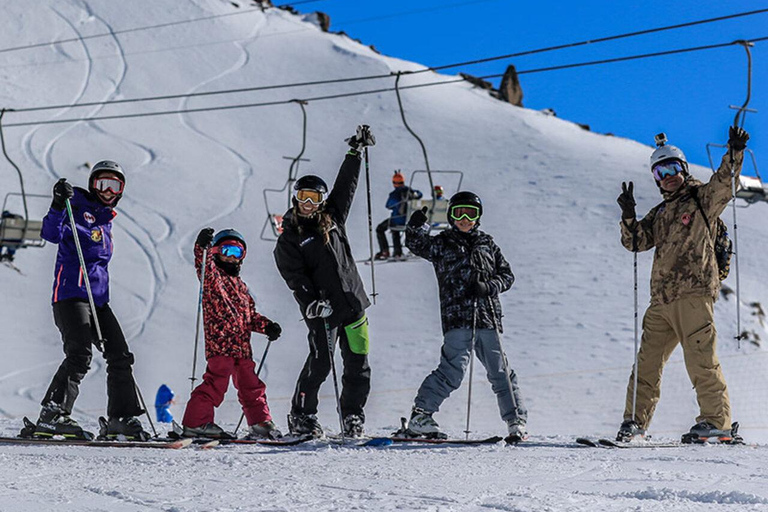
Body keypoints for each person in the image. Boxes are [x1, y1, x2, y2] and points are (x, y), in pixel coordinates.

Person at [615, 126, 750, 443]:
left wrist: (734, 152)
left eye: (673, 167)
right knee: (646, 364)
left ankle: (716, 420)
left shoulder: (702, 199)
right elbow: (635, 242)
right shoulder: (660, 212)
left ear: (684, 168)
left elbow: (725, 183)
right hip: (661, 300)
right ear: (656, 179)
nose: (669, 175)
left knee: (700, 358)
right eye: (661, 171)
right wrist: (629, 215)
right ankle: (634, 423)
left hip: (694, 294)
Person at [32, 161, 149, 440]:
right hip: (71, 295)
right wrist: (59, 204)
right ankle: (52, 413)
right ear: (92, 184)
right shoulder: (76, 207)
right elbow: (50, 234)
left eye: (114, 186)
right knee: (80, 354)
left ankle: (121, 416)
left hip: (97, 301)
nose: (108, 191)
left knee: (119, 354)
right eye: (102, 184)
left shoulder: (105, 219)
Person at [273, 125, 376, 438]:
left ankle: (352, 417)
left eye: (314, 197)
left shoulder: (333, 219)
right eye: (303, 197)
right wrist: (311, 302)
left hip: (354, 305)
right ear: (295, 198)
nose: (308, 203)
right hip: (323, 311)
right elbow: (295, 277)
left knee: (358, 367)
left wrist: (355, 152)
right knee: (320, 365)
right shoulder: (290, 239)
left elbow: (346, 186)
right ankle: (302, 415)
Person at [404, 191, 528, 441]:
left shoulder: (487, 244)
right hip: (457, 316)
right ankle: (421, 415)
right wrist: (416, 227)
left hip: (487, 317)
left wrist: (490, 286)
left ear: (478, 217)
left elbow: (507, 276)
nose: (464, 218)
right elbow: (417, 245)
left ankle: (516, 421)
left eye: (470, 213)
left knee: (500, 371)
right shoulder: (442, 243)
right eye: (458, 212)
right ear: (450, 215)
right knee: (452, 370)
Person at [181, 228, 283, 439]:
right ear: (217, 251)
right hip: (221, 345)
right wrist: (202, 248)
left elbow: (249, 316)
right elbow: (204, 267)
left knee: (251, 386)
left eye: (237, 253)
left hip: (242, 348)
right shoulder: (213, 280)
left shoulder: (241, 287)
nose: (231, 257)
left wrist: (267, 326)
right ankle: (196, 423)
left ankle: (260, 422)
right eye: (227, 250)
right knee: (216, 383)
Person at [374, 171, 422, 260]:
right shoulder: (409, 191)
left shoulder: (394, 194)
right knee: (394, 228)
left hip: (397, 219)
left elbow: (388, 205)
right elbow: (419, 194)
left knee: (381, 228)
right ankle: (397, 252)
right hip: (408, 220)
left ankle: (386, 251)